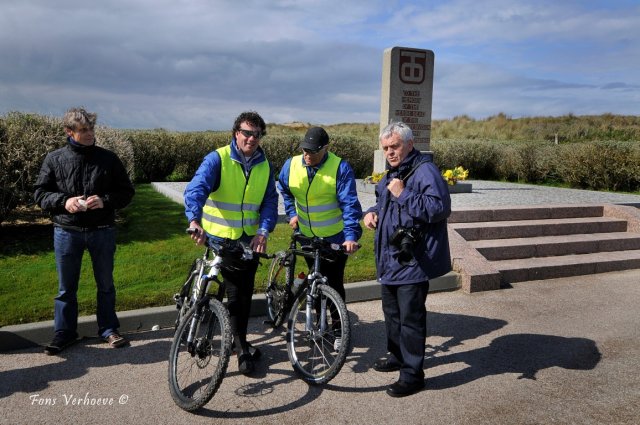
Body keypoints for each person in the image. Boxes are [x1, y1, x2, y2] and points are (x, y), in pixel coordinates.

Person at [34, 107, 135, 355]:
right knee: (66, 288)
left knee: (106, 284)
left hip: (102, 230)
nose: (90, 134)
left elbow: (126, 192)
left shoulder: (108, 158)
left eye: (91, 128)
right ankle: (64, 333)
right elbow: (40, 193)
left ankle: (109, 329)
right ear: (69, 132)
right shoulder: (54, 159)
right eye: (83, 130)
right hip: (67, 232)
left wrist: (105, 201)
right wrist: (64, 202)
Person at [184, 111, 278, 375]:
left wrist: (263, 230)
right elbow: (196, 189)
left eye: (257, 134)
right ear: (236, 132)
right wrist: (194, 220)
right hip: (217, 235)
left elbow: (270, 201)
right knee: (216, 290)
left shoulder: (264, 165)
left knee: (241, 295)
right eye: (246, 132)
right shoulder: (218, 159)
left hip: (248, 240)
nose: (251, 138)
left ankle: (240, 344)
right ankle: (194, 325)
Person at [363, 122, 451, 397]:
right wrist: (371, 212)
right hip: (391, 259)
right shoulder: (394, 171)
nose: (389, 152)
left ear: (410, 145)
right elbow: (385, 201)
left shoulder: (425, 171)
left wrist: (405, 193)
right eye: (386, 148)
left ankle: (413, 375)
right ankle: (397, 357)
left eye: (395, 146)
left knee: (411, 319)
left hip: (413, 261)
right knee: (392, 315)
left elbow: (440, 208)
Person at [277, 127, 362, 349]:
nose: (307, 155)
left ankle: (338, 329)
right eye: (305, 150)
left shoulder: (340, 168)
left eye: (313, 151)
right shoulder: (291, 165)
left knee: (333, 283)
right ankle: (318, 324)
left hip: (335, 236)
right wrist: (292, 213)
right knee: (315, 279)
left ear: (326, 148)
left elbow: (350, 204)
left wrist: (351, 236)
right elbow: (284, 188)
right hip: (307, 235)